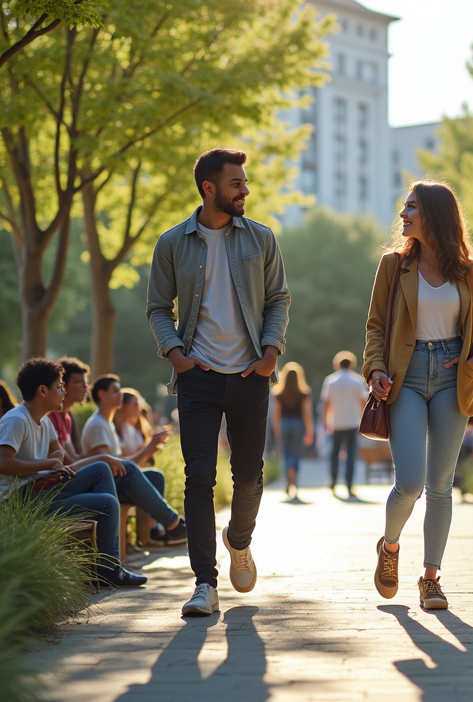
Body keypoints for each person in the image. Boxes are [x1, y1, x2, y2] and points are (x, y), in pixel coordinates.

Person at [147, 147, 290, 618]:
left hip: (251, 374)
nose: (245, 190)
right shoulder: (172, 244)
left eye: (245, 183)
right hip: (198, 379)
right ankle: (204, 583)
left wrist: (270, 353)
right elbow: (157, 308)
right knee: (199, 477)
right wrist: (176, 355)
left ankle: (239, 540)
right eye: (236, 184)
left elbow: (277, 299)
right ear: (209, 189)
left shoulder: (261, 239)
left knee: (249, 479)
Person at [366, 181, 473, 611]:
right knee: (410, 483)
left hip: (451, 375)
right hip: (406, 374)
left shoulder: (469, 272)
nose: (403, 214)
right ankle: (390, 546)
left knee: (440, 486)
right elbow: (375, 327)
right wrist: (375, 369)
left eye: (411, 207)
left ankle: (431, 578)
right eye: (404, 206)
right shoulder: (392, 267)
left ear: (434, 215)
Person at [0, 358, 146, 588]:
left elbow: (62, 461)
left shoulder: (45, 423)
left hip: (45, 489)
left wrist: (101, 458)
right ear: (43, 390)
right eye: (59, 387)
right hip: (23, 499)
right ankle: (108, 568)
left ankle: (106, 566)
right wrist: (46, 464)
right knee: (107, 503)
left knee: (101, 471)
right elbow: (1, 464)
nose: (63, 392)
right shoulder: (16, 420)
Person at [76, 373, 186, 545]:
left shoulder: (107, 424)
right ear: (101, 395)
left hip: (115, 481)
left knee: (155, 475)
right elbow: (110, 467)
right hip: (102, 486)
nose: (120, 394)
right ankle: (172, 523)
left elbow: (119, 461)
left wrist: (149, 450)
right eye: (115, 391)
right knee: (134, 470)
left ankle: (148, 535)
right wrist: (148, 449)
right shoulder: (97, 424)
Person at [321, 350, 369, 496]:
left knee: (334, 454)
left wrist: (325, 422)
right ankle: (349, 484)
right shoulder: (357, 381)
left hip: (336, 423)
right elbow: (363, 402)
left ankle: (333, 482)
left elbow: (326, 403)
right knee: (351, 454)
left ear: (337, 364)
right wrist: (364, 420)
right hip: (353, 422)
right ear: (352, 364)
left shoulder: (330, 381)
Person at [271, 362, 314, 500]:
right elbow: (307, 413)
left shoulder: (279, 393)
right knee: (295, 454)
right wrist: (309, 431)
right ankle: (294, 483)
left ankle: (287, 484)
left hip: (284, 424)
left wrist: (276, 429)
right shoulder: (304, 392)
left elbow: (276, 414)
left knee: (285, 454)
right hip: (298, 425)